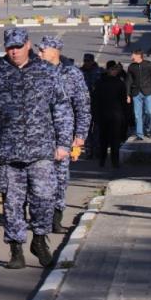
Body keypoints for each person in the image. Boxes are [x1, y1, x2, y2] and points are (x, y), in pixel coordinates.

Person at [0, 28, 73, 269]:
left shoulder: (46, 72)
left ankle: (39, 240)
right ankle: (16, 250)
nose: (14, 51)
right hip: (8, 151)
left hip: (42, 150)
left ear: (28, 44)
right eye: (9, 47)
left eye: (18, 46)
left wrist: (64, 143)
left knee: (44, 198)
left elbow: (61, 108)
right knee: (12, 204)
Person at [37, 36, 91, 234]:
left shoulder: (72, 73)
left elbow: (82, 105)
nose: (39, 53)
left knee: (60, 178)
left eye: (43, 49)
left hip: (64, 135)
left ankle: (56, 217)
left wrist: (80, 134)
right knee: (38, 178)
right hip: (37, 135)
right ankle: (41, 215)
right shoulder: (35, 71)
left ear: (55, 50)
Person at [93, 64, 127, 168]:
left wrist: (124, 116)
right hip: (103, 115)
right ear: (107, 70)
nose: (114, 71)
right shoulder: (100, 82)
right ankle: (102, 160)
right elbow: (95, 100)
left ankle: (114, 161)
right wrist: (95, 115)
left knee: (115, 139)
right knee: (103, 139)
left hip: (116, 115)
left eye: (115, 69)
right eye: (112, 69)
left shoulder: (119, 83)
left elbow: (123, 101)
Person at [126, 49, 151, 140]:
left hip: (148, 92)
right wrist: (128, 94)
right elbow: (128, 81)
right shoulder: (131, 67)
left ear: (138, 56)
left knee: (150, 112)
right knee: (137, 115)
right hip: (136, 93)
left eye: (132, 55)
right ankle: (139, 134)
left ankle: (147, 128)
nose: (131, 57)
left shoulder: (149, 65)